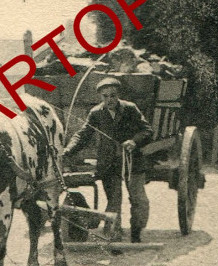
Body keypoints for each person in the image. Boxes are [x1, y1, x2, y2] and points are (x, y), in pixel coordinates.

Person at [63, 76, 153, 242]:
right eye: (105, 96)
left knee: (139, 199)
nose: (109, 99)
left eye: (113, 95)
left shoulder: (130, 109)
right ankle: (114, 237)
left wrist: (134, 141)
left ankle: (136, 232)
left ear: (118, 95)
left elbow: (147, 130)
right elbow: (83, 135)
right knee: (114, 201)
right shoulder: (96, 113)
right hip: (109, 165)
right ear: (100, 97)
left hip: (133, 163)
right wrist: (68, 150)